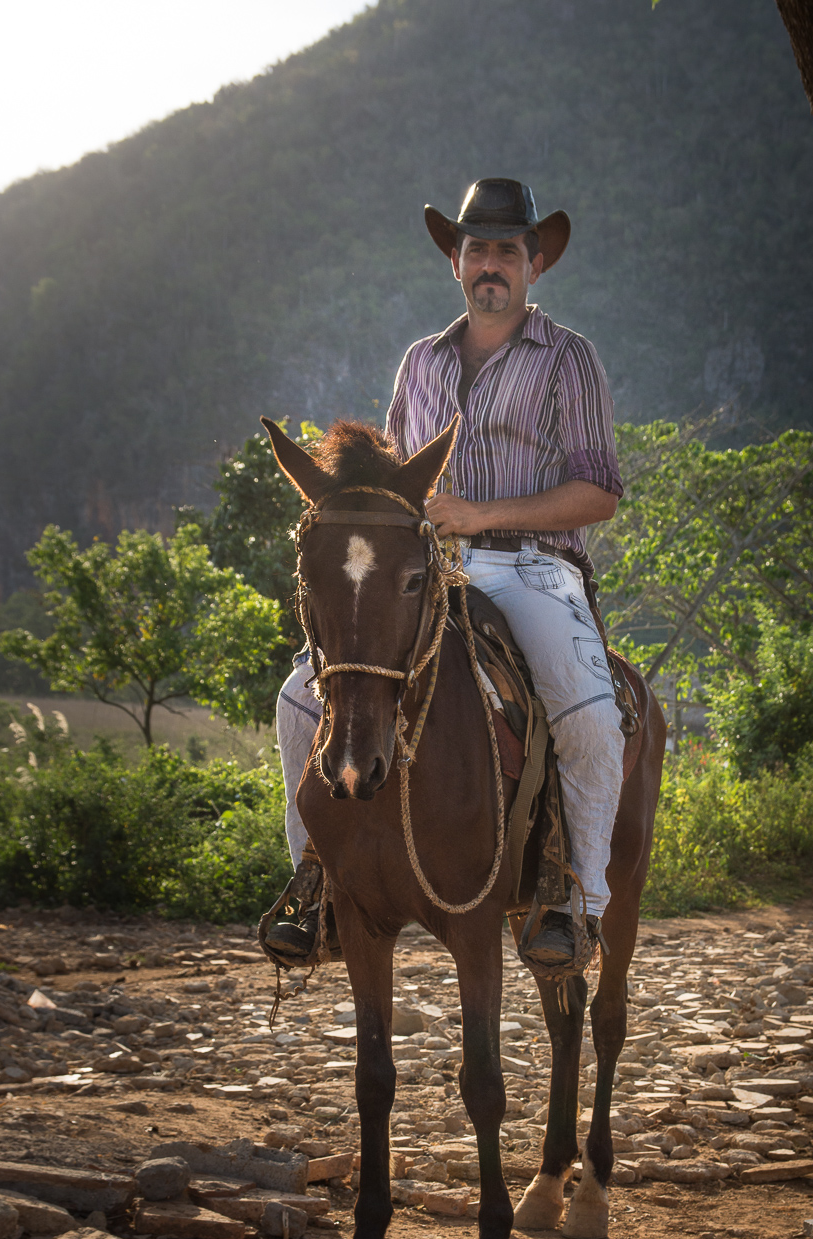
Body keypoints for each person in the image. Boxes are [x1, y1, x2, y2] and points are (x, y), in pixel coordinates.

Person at [270, 178, 625, 966]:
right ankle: (318, 880)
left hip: (534, 573)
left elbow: (597, 492)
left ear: (536, 264)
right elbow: (393, 486)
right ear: (455, 263)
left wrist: (479, 513)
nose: (490, 263)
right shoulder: (420, 363)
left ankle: (576, 897)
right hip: (429, 576)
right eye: (476, 249)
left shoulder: (569, 360)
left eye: (507, 249)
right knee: (300, 699)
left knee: (590, 716)